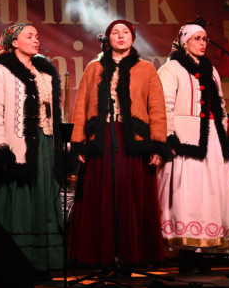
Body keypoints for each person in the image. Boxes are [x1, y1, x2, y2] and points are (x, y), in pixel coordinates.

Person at [69, 20, 168, 266]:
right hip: (100, 136)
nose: (120, 36)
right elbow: (81, 106)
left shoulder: (146, 69)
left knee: (131, 194)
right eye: (115, 32)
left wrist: (157, 145)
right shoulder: (94, 67)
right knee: (100, 194)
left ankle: (132, 254)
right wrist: (79, 142)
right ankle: (99, 255)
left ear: (133, 38)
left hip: (133, 139)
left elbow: (157, 109)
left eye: (125, 32)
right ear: (108, 39)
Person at [0, 23, 65, 271]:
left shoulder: (45, 73)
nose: (35, 39)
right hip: (18, 145)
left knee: (44, 198)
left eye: (37, 36)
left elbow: (55, 112)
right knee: (19, 199)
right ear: (14, 42)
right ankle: (18, 263)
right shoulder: (2, 72)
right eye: (29, 36)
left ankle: (44, 261)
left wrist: (62, 144)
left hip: (45, 143)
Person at [156, 22, 229, 259]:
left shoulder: (211, 70)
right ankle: (186, 253)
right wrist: (169, 137)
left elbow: (220, 104)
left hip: (212, 139)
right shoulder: (171, 68)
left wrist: (223, 134)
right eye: (197, 39)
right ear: (184, 42)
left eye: (204, 39)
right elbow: (165, 105)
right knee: (188, 193)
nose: (202, 43)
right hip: (185, 139)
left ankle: (203, 250)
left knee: (211, 192)